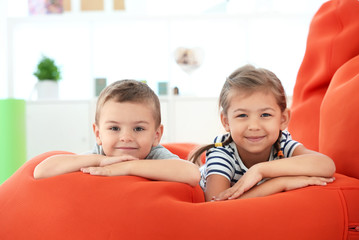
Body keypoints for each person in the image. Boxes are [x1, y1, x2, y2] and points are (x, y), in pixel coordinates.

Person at [189, 65, 336, 201]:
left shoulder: (282, 144)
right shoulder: (221, 154)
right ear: (226, 122)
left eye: (265, 115)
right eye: (242, 115)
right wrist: (279, 183)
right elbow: (216, 205)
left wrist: (260, 170)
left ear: (283, 119)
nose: (254, 126)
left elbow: (327, 165)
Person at [34, 79, 200, 187]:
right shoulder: (99, 155)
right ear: (98, 134)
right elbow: (41, 171)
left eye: (138, 129)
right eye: (114, 128)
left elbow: (192, 174)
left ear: (156, 135)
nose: (126, 138)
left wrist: (128, 167)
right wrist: (99, 161)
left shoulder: (153, 154)